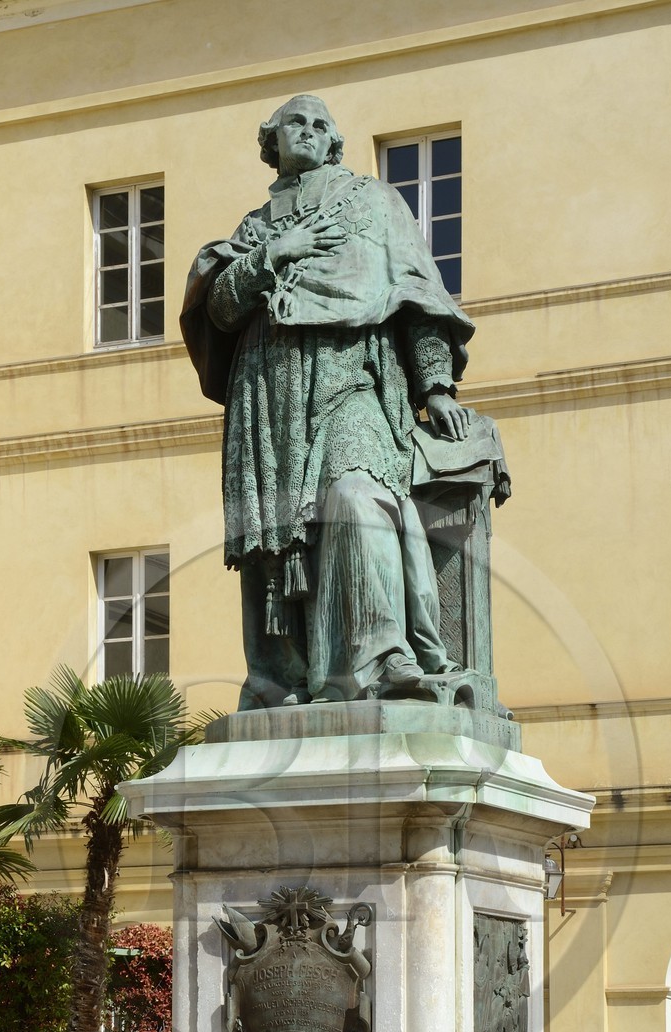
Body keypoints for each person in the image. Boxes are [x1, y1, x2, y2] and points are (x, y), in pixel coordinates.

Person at [181, 94, 476, 708]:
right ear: (273, 140)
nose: (309, 131)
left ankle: (381, 659)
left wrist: (435, 386)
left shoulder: (374, 202)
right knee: (278, 537)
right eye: (296, 122)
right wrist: (272, 256)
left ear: (334, 142)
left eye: (321, 125)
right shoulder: (254, 229)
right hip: (269, 391)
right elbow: (221, 309)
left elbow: (416, 293)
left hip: (351, 375)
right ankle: (285, 678)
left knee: (356, 496)